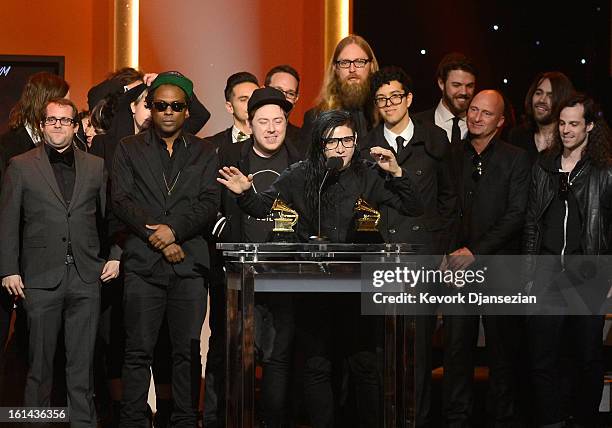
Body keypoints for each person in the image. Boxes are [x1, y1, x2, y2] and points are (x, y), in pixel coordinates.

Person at [218, 109, 423, 427]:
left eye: (347, 140)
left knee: (365, 364)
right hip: (313, 286)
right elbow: (264, 207)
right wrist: (246, 193)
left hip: (358, 286)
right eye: (333, 141)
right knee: (316, 365)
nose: (341, 148)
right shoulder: (299, 175)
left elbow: (412, 206)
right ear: (319, 144)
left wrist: (396, 172)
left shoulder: (369, 174)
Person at [0, 97, 120, 427]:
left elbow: (109, 219)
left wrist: (115, 256)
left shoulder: (95, 166)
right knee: (39, 368)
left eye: (65, 120)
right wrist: (8, 268)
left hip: (85, 277)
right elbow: (8, 221)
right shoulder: (20, 165)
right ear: (41, 125)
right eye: (51, 120)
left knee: (82, 367)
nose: (58, 126)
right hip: (39, 278)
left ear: (76, 125)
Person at [111, 71, 219, 428]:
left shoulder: (205, 151)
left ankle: (186, 420)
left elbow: (208, 203)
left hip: (189, 264)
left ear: (187, 111)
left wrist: (174, 232)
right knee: (137, 351)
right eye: (161, 105)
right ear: (150, 108)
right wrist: (158, 237)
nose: (168, 111)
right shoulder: (128, 147)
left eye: (176, 105)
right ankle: (133, 421)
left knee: (187, 352)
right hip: (144, 264)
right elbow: (122, 200)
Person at [362, 66, 457, 427]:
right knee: (384, 352)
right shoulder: (367, 143)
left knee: (416, 354)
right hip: (382, 257)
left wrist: (441, 247)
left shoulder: (434, 140)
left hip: (422, 257)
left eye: (395, 97)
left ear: (410, 99)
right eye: (382, 99)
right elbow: (362, 203)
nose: (389, 104)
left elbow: (449, 199)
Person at [205, 87, 304, 428]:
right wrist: (227, 241)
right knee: (237, 358)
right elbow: (211, 207)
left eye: (279, 120)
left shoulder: (301, 159)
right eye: (264, 121)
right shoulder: (228, 155)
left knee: (279, 357)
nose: (272, 128)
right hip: (239, 272)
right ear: (250, 123)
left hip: (286, 274)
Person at [523, 93, 612, 427]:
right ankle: (552, 420)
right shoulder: (544, 165)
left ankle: (584, 420)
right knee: (543, 358)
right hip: (546, 273)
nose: (566, 130)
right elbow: (532, 221)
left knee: (587, 358)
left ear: (589, 125)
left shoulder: (604, 170)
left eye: (574, 123)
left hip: (587, 273)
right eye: (562, 123)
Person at [443, 90, 530, 427]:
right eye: (473, 110)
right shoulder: (452, 155)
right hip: (457, 266)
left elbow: (516, 214)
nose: (476, 117)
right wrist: (451, 251)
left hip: (498, 266)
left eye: (486, 113)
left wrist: (476, 252)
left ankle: (503, 418)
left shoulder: (516, 158)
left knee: (502, 352)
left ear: (501, 121)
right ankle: (456, 418)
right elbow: (446, 209)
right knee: (455, 350)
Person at [0, 71, 70, 371]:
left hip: (51, 263)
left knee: (42, 345)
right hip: (16, 259)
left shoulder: (70, 144)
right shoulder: (9, 145)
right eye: (61, 99)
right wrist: (10, 266)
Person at [300, 35, 379, 148]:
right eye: (345, 63)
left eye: (360, 62)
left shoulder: (385, 114)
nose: (352, 69)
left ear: (371, 66)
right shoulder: (316, 118)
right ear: (335, 68)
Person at [508, 71, 574, 163]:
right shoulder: (517, 136)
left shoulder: (569, 141)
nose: (542, 99)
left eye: (550, 96)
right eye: (538, 93)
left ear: (563, 101)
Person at [413, 52, 477, 145]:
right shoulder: (417, 124)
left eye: (470, 86)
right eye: (456, 85)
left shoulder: (481, 127)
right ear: (441, 83)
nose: (464, 92)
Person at [206, 72, 259, 148]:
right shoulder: (211, 146)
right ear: (230, 107)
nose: (251, 103)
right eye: (243, 99)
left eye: (255, 97)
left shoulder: (277, 140)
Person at [264, 64, 302, 145]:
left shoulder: (304, 141)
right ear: (263, 91)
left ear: (296, 99)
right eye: (278, 90)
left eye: (290, 94)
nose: (283, 98)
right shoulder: (246, 134)